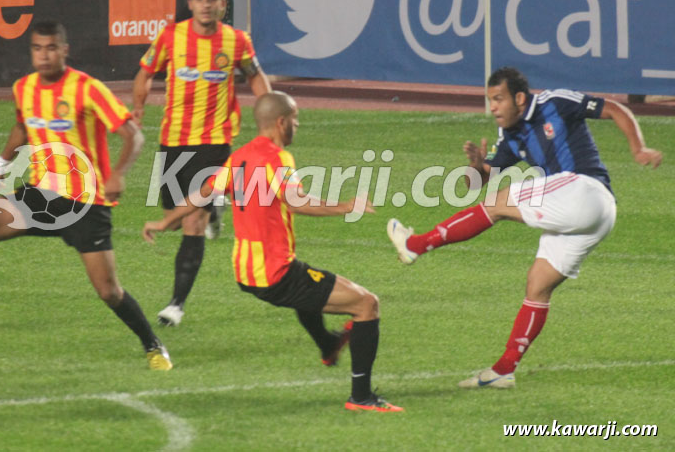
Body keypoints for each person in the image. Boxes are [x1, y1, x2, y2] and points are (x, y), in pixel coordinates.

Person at [0, 20, 173, 371]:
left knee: (108, 291)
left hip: (85, 203)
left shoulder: (87, 88)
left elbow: (133, 136)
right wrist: (0, 166)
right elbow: (23, 127)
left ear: (64, 50)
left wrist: (118, 174)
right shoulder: (25, 88)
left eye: (51, 48)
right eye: (37, 49)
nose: (44, 55)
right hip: (40, 196)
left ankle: (154, 345)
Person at [387, 66, 662, 388]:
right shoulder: (509, 136)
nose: (493, 107)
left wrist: (638, 148)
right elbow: (475, 184)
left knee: (498, 203)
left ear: (519, 98)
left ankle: (416, 245)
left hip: (585, 190)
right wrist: (475, 166)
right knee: (538, 286)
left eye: (498, 99)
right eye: (490, 100)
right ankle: (503, 370)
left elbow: (614, 108)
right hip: (595, 216)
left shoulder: (555, 102)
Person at [143, 91, 403, 412]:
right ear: (281, 123)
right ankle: (361, 397)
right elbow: (296, 202)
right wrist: (345, 206)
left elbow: (204, 192)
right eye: (295, 120)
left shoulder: (239, 157)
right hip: (274, 273)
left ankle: (328, 344)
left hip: (246, 271)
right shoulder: (278, 158)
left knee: (309, 282)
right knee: (367, 304)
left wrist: (165, 220)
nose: (297, 126)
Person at [132, 0, 271, 327]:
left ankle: (176, 305)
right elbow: (145, 72)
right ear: (190, 3)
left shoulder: (236, 41)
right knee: (174, 219)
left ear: (223, 4)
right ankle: (217, 206)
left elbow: (254, 75)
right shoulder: (170, 37)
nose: (206, 5)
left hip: (214, 143)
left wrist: (269, 115)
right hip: (173, 142)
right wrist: (138, 108)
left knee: (193, 222)